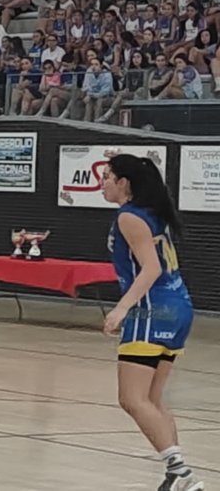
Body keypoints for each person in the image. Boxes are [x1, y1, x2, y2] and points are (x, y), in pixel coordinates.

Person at [100, 154, 203, 491]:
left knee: (131, 398)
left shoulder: (130, 217)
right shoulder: (150, 212)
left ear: (124, 183)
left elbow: (151, 269)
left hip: (151, 309)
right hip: (178, 307)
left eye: (108, 177)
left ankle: (182, 473)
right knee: (153, 399)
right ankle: (176, 476)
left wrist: (121, 309)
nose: (102, 182)